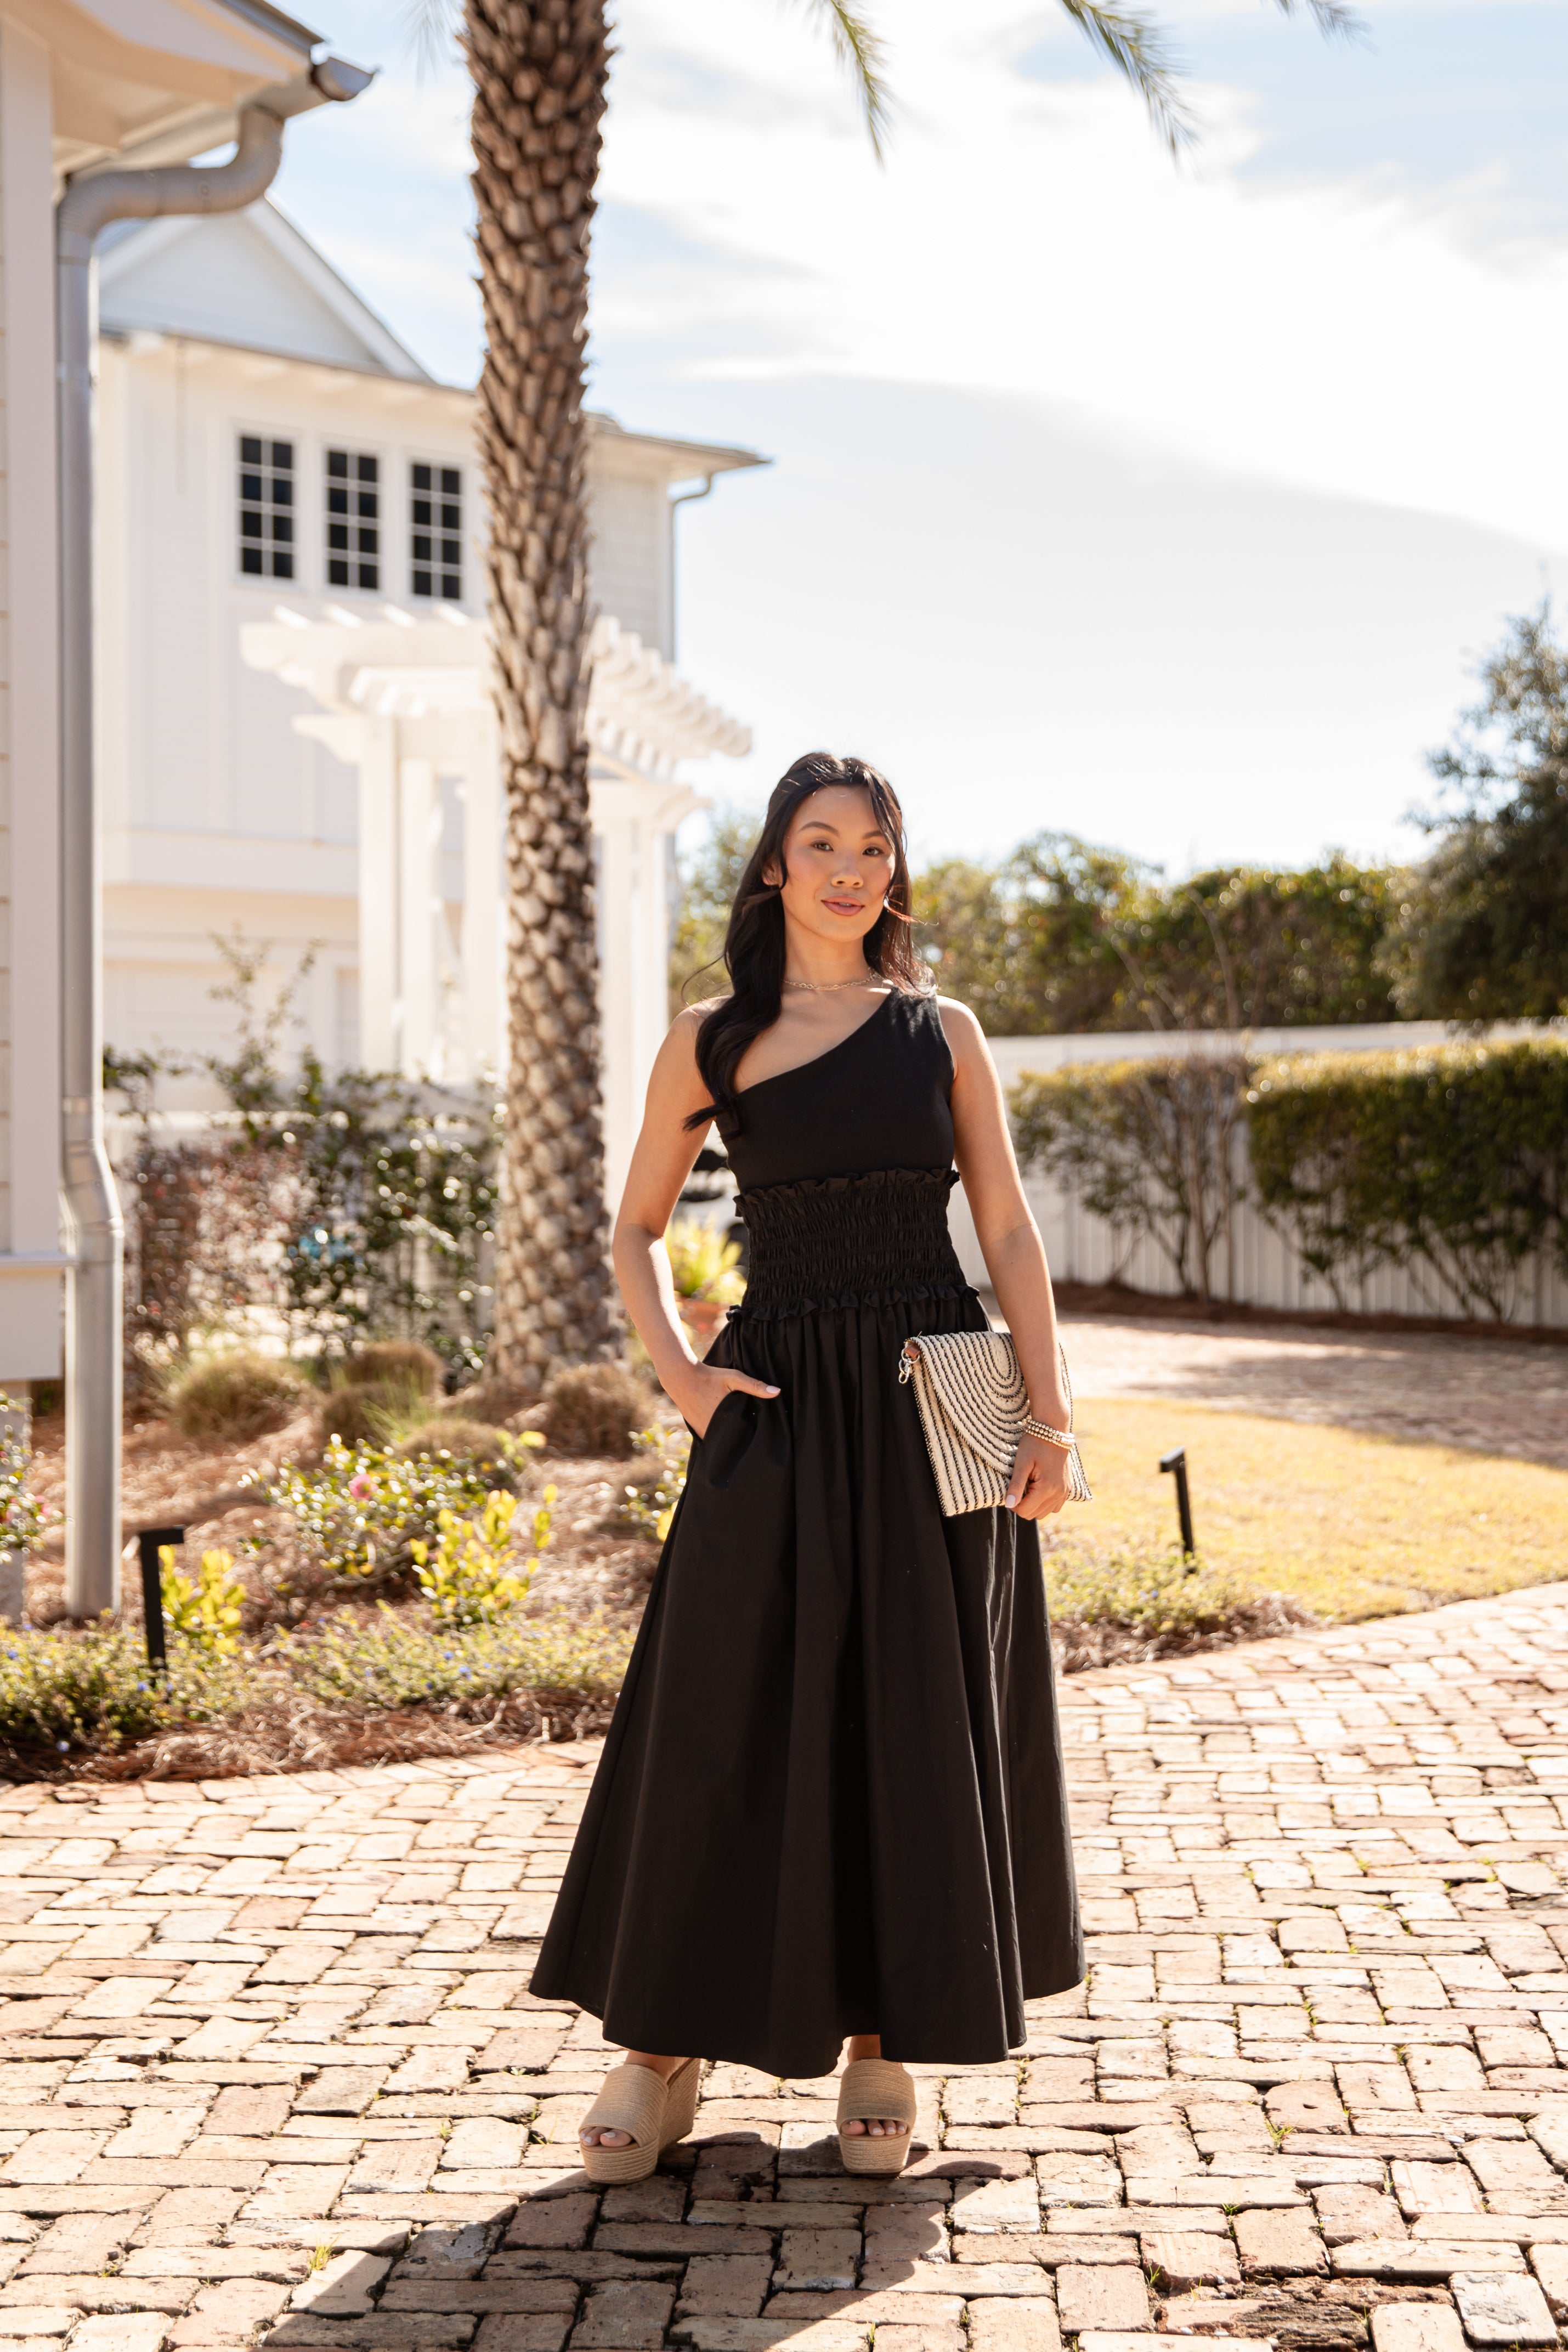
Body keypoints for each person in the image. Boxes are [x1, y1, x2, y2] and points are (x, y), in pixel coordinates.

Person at [530, 750, 1083, 2184]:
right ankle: (659, 2052)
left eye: (874, 844)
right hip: (772, 1395)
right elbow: (635, 1228)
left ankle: (885, 2041)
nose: (851, 867)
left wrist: (1051, 1415)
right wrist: (684, 1379)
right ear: (773, 864)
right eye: (821, 841)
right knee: (723, 1705)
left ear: (892, 870)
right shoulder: (712, 1037)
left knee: (923, 1711)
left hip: (948, 1386)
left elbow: (1010, 1234)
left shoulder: (939, 1031)